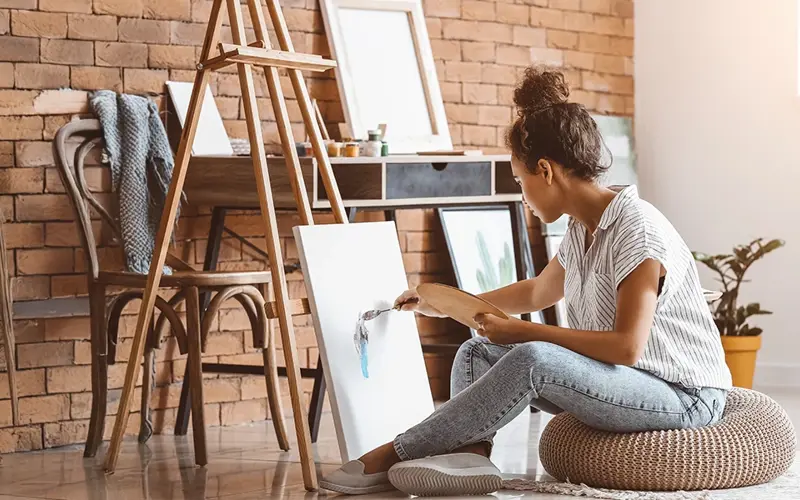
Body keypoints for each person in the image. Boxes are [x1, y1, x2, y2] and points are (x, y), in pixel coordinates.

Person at [320, 66, 732, 497]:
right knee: (478, 351)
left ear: (546, 171)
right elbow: (537, 291)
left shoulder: (637, 231)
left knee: (534, 356)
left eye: (521, 181)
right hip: (626, 381)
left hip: (684, 397)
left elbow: (626, 347)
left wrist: (524, 331)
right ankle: (472, 457)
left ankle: (391, 454)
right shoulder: (582, 227)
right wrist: (443, 303)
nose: (522, 195)